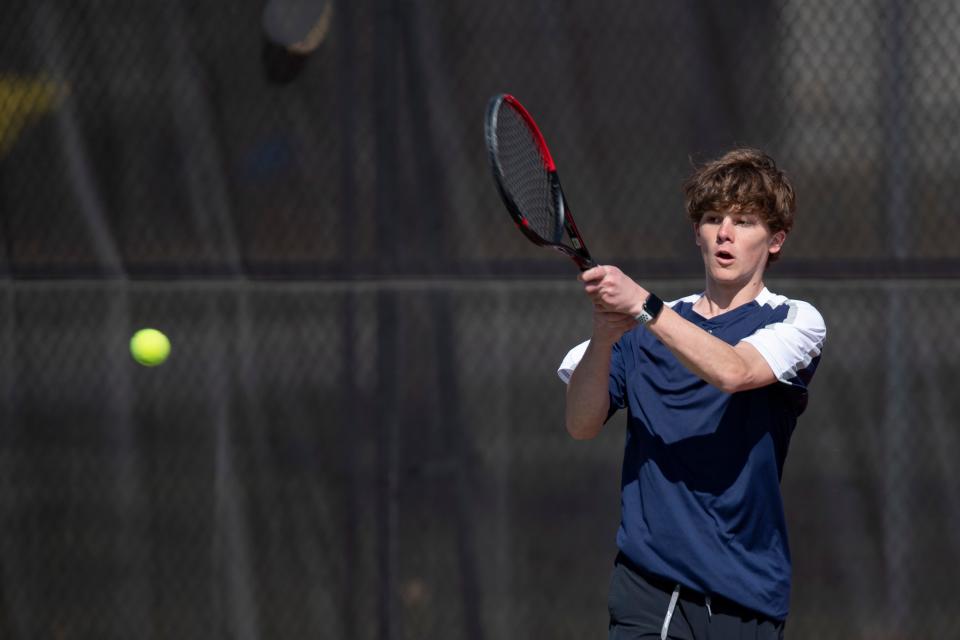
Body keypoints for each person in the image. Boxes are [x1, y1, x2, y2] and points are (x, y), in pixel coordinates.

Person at [558, 148, 826, 639]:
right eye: (711, 218)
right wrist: (603, 333)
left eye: (744, 221)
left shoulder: (795, 320)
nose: (725, 233)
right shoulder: (641, 331)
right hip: (652, 588)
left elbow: (734, 371)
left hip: (750, 592)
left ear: (776, 240)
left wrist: (644, 306)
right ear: (697, 234)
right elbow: (580, 423)